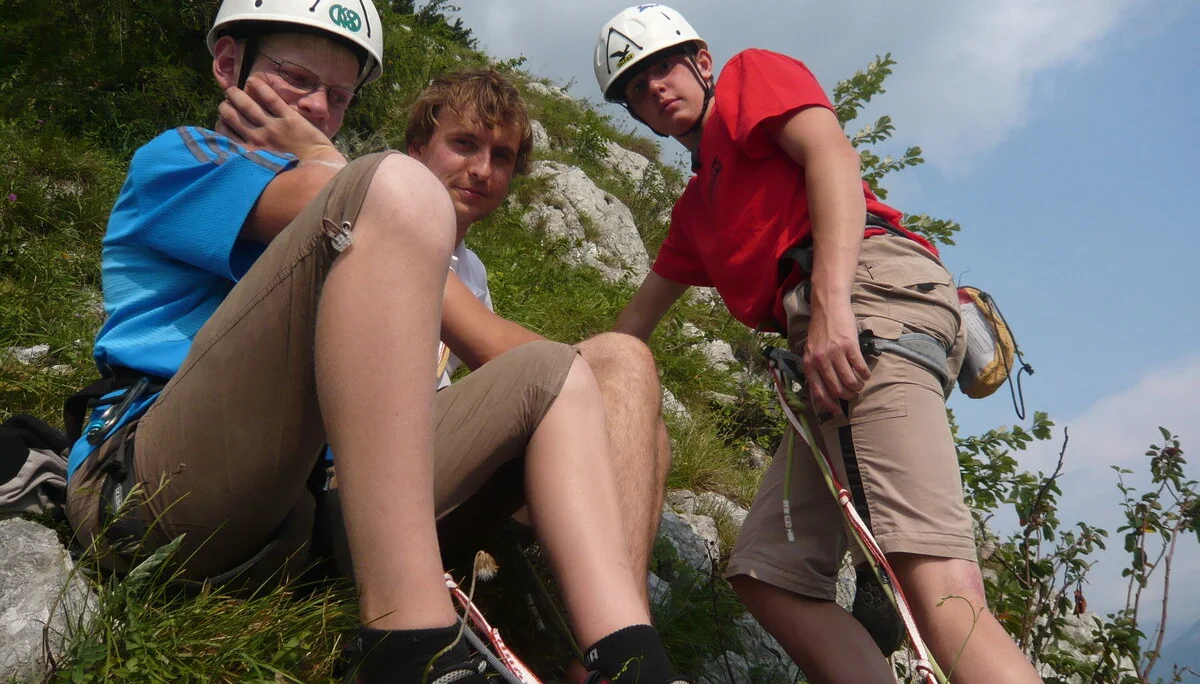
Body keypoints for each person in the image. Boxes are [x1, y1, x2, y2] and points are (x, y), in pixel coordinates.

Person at [62, 2, 685, 682]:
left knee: (573, 367)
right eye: (295, 78)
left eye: (339, 95)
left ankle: (625, 664)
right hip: (161, 490)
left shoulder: (378, 207)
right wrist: (342, 167)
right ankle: (410, 648)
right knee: (394, 192)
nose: (317, 108)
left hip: (316, 512)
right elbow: (365, 198)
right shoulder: (182, 157)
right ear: (228, 64)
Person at [592, 5, 1044, 683]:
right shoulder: (696, 212)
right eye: (635, 86)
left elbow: (831, 153)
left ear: (702, 62)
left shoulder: (750, 79)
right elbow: (634, 322)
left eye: (663, 66)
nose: (655, 87)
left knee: (938, 591)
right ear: (635, 113)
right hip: (825, 345)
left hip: (863, 299)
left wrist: (831, 303)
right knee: (769, 574)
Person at [403, 67, 672, 612]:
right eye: (463, 144)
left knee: (650, 431)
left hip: (434, 450)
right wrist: (608, 370)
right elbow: (503, 353)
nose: (481, 170)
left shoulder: (470, 271)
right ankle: (621, 644)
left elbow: (500, 384)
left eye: (501, 157)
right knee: (618, 367)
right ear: (417, 148)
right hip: (373, 469)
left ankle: (606, 633)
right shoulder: (392, 224)